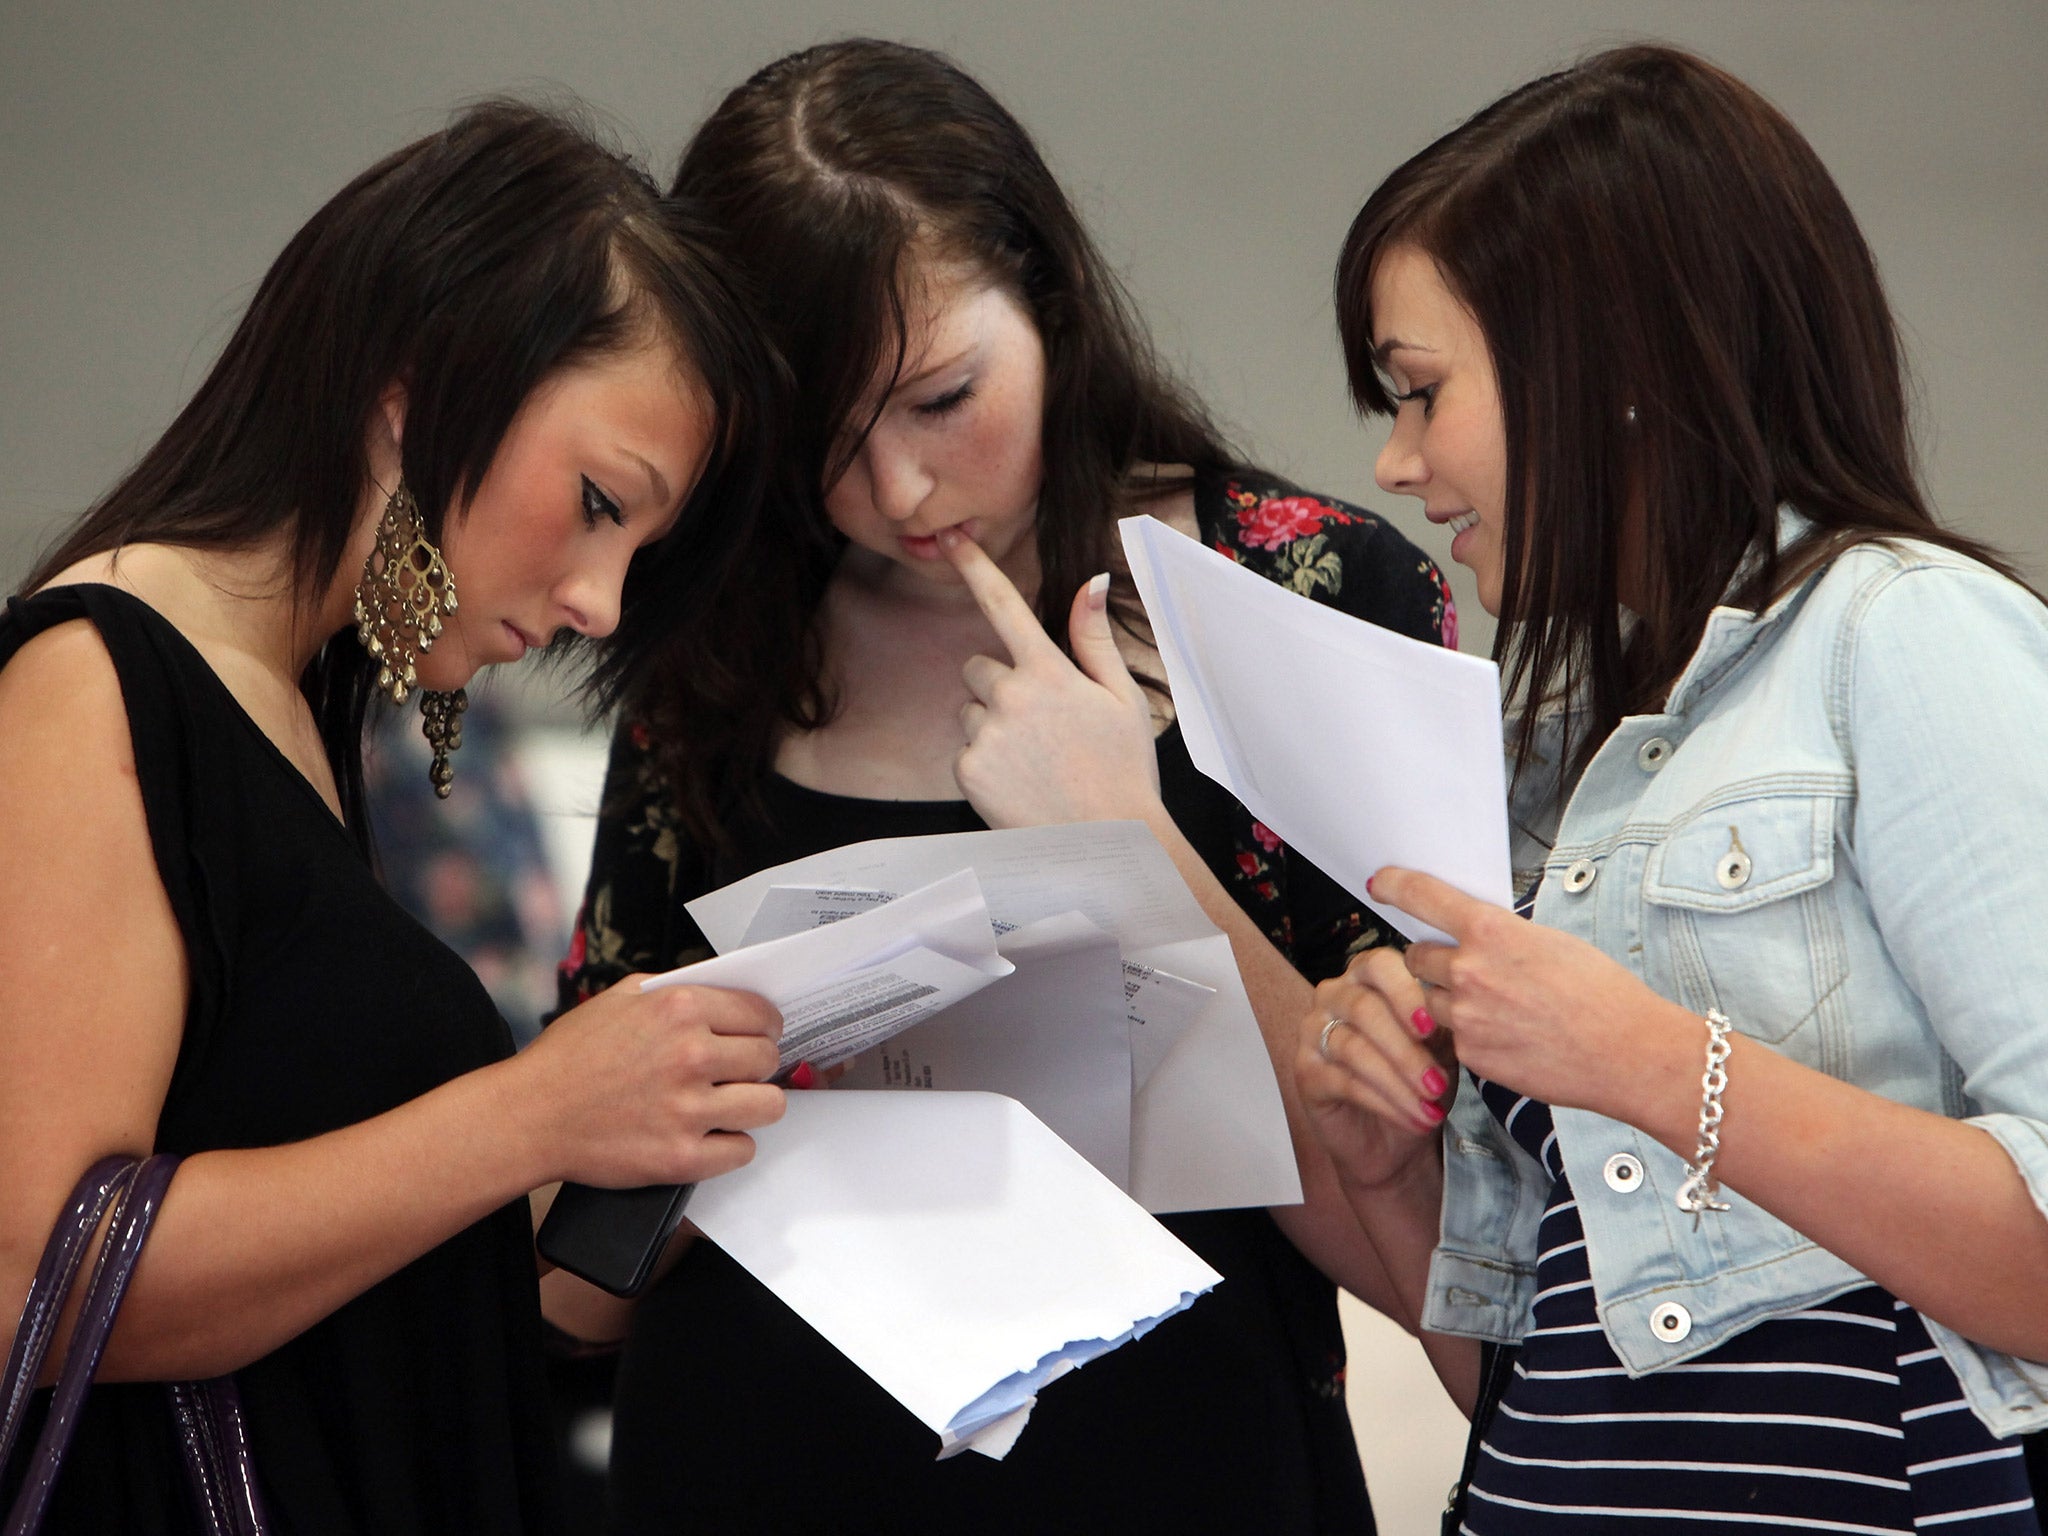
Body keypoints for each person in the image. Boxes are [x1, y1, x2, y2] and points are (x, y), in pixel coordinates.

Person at [549, 37, 1455, 1536]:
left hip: (1177, 1466)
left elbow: (1434, 1252)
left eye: (942, 397)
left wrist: (1132, 849)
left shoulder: (1308, 593)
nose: (897, 492)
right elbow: (584, 1258)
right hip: (749, 1456)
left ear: (1048, 294)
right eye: (821, 442)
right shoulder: (720, 649)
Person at [0, 102, 792, 1534]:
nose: (597, 606)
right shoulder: (92, 678)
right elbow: (42, 1285)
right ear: (422, 388)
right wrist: (531, 1112)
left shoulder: (290, 706)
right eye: (602, 501)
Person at [1298, 44, 2048, 1534]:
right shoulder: (1564, 748)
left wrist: (1645, 1057)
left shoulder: (1903, 632)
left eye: (1421, 393)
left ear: (1613, 370)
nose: (1395, 462)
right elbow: (1539, 1378)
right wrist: (1385, 1165)